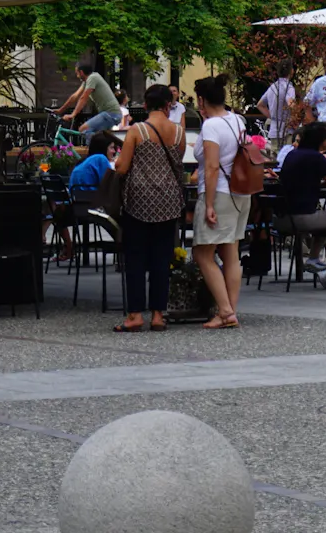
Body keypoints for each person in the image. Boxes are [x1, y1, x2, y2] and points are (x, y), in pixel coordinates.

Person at [111, 84, 186, 333]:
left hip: (138, 203)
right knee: (161, 259)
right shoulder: (178, 132)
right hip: (168, 202)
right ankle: (157, 315)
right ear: (168, 106)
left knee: (135, 258)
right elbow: (177, 164)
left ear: (145, 105)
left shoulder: (137, 130)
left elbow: (121, 167)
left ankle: (134, 315)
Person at [192, 75, 249, 328]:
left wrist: (210, 203)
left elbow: (212, 166)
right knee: (231, 252)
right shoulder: (238, 119)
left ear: (201, 100)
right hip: (240, 192)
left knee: (203, 252)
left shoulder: (211, 126)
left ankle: (225, 311)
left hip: (219, 192)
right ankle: (229, 311)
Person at [276, 122, 326, 289]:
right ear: (321, 140)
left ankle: (313, 259)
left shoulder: (293, 154)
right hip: (303, 217)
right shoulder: (315, 157)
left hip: (283, 217)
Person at [56, 63, 123, 141]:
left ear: (81, 72)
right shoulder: (87, 81)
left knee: (83, 129)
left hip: (111, 114)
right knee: (97, 136)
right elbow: (75, 96)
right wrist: (61, 110)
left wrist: (73, 114)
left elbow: (83, 97)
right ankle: (102, 150)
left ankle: (94, 151)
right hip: (109, 114)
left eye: (77, 73)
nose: (77, 76)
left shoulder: (93, 78)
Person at [257, 61, 296, 142]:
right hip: (286, 130)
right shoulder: (289, 87)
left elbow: (260, 105)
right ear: (291, 71)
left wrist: (272, 116)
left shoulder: (273, 87)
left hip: (274, 130)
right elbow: (290, 104)